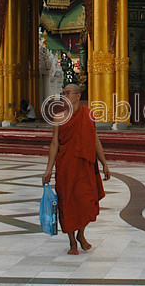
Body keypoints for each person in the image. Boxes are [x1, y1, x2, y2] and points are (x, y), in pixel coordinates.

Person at [42, 84, 111, 255]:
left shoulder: (87, 115)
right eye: (63, 93)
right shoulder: (59, 117)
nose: (64, 96)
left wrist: (104, 163)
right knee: (67, 203)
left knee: (85, 201)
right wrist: (48, 169)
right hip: (66, 166)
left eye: (68, 93)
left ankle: (81, 234)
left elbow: (95, 139)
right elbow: (54, 143)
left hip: (84, 165)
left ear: (78, 96)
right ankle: (72, 241)